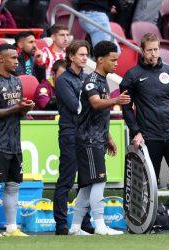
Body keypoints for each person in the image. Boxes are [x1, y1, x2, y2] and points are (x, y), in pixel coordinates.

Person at [120, 33, 169, 224]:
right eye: (149, 50)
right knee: (148, 182)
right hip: (149, 137)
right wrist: (136, 131)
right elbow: (126, 108)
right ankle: (146, 222)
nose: (154, 54)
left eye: (156, 49)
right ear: (142, 51)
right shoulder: (132, 76)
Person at [69, 41, 130, 235]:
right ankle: (100, 225)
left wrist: (108, 136)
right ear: (101, 60)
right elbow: (95, 104)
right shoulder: (91, 81)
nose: (116, 64)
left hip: (96, 138)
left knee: (87, 185)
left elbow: (98, 115)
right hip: (88, 140)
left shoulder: (103, 81)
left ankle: (76, 227)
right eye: (113, 60)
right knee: (98, 182)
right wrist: (116, 101)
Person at [0, 43, 34, 237]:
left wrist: (25, 108)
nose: (16, 61)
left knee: (13, 185)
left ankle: (12, 228)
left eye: (17, 58)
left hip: (14, 142)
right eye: (13, 58)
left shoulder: (17, 81)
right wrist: (15, 108)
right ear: (1, 59)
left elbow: (17, 114)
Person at [54, 41, 94, 235]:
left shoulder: (87, 78)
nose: (85, 58)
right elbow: (76, 107)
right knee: (67, 180)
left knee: (86, 181)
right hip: (70, 133)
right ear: (71, 57)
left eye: (86, 54)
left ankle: (84, 223)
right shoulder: (63, 80)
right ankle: (61, 225)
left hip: (86, 134)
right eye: (81, 54)